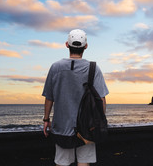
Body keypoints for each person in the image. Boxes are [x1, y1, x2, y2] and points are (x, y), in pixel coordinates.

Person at [42, 29, 109, 166]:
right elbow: (101, 99)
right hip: (87, 126)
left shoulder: (55, 67)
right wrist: (100, 122)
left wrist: (46, 119)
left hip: (61, 126)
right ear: (85, 46)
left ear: (67, 44)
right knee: (84, 162)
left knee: (62, 163)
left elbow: (49, 97)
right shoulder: (93, 68)